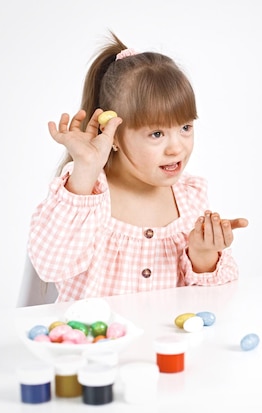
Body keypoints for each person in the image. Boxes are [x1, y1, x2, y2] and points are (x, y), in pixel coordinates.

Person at [27, 32, 248, 302]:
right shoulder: (85, 194)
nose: (176, 147)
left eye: (185, 127)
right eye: (156, 134)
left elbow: (214, 303)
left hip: (169, 344)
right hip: (100, 343)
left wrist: (203, 254)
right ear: (115, 135)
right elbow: (50, 265)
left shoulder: (190, 197)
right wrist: (85, 169)